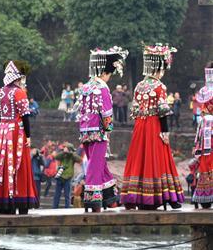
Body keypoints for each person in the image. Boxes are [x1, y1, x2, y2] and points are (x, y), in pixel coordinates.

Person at [121, 44, 184, 210]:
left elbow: (134, 111)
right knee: (159, 159)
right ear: (158, 68)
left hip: (140, 126)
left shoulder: (139, 86)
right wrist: (165, 132)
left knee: (139, 159)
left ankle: (138, 196)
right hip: (155, 125)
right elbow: (162, 111)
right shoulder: (159, 86)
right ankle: (163, 196)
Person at [78, 47, 128, 212]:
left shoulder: (85, 87)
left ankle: (110, 199)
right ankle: (92, 201)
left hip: (85, 132)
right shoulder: (103, 88)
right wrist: (109, 129)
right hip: (99, 132)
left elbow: (81, 111)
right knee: (94, 166)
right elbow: (106, 113)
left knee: (99, 165)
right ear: (105, 73)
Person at [0, 60, 39, 215]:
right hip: (17, 132)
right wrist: (28, 136)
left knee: (3, 165)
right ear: (19, 78)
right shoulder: (19, 93)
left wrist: (4, 124)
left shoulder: (0, 92)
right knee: (20, 164)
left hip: (3, 131)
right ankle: (20, 199)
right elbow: (25, 117)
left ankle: (5, 202)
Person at [189, 66, 212, 208]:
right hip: (207, 132)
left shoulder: (204, 91)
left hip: (205, 131)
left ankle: (205, 196)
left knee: (205, 161)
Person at [52, 143, 80, 208]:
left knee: (67, 195)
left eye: (66, 148)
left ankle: (67, 208)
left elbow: (79, 160)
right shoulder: (62, 155)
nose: (65, 149)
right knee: (57, 194)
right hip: (60, 176)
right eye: (64, 148)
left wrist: (72, 153)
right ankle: (54, 207)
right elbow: (56, 157)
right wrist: (63, 152)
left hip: (68, 178)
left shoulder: (72, 156)